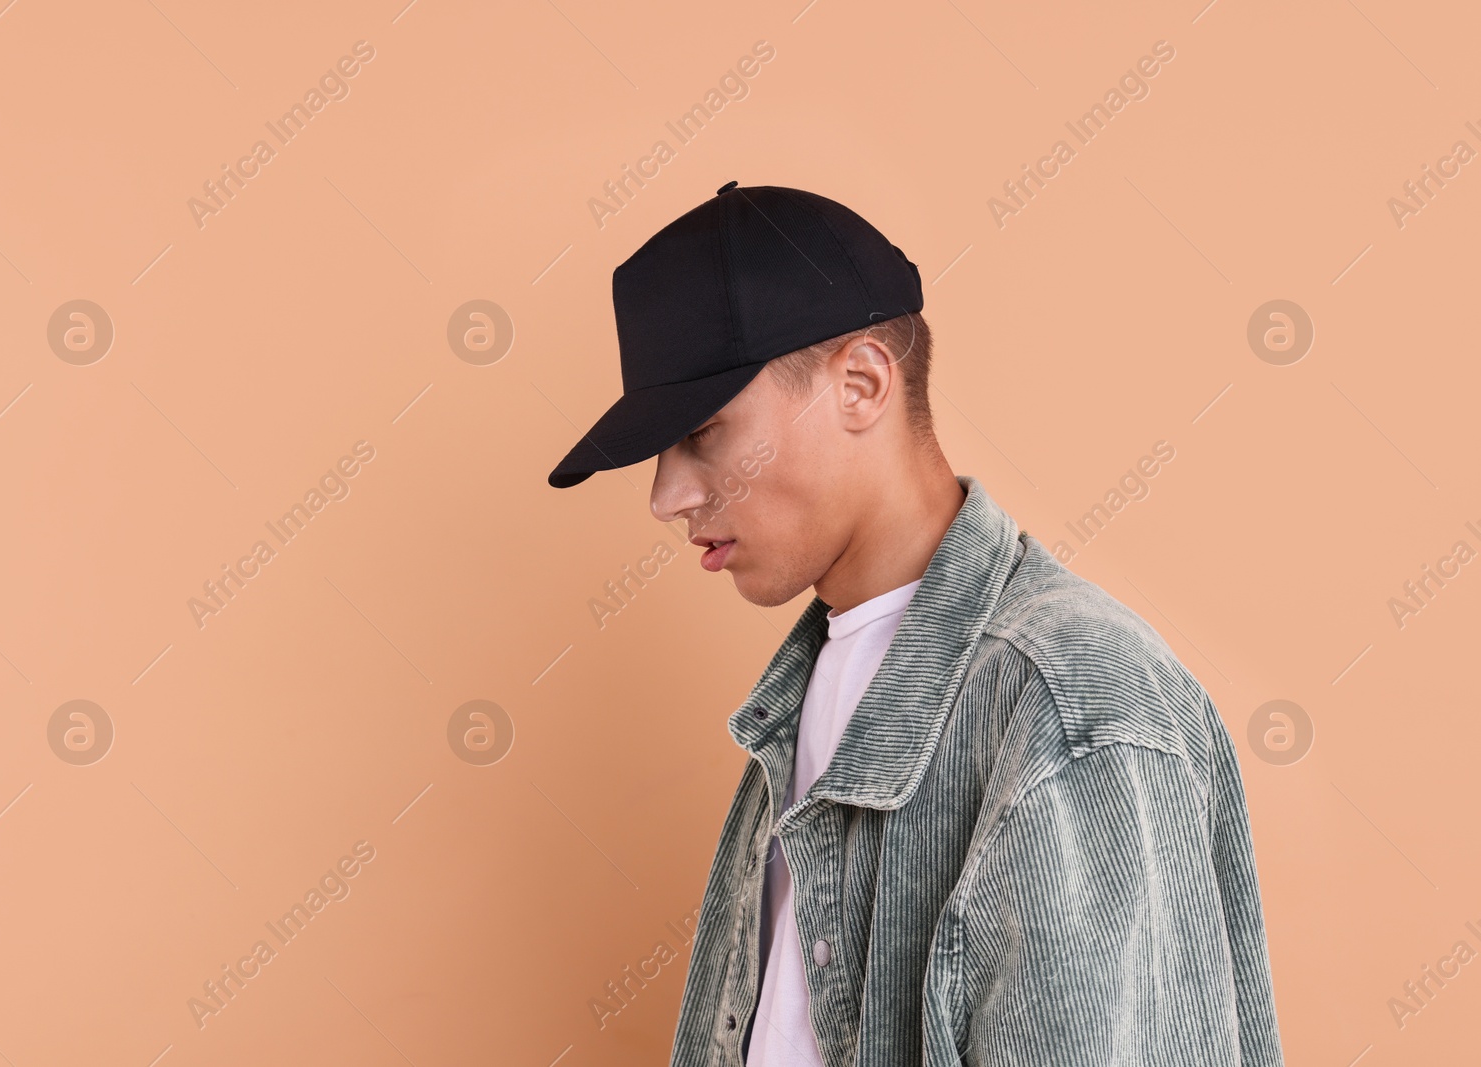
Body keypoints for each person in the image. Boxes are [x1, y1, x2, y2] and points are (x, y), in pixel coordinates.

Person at [548, 182, 1285, 1066]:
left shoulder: (1073, 704)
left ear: (860, 384)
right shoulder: (802, 698)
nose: (668, 497)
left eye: (703, 432)